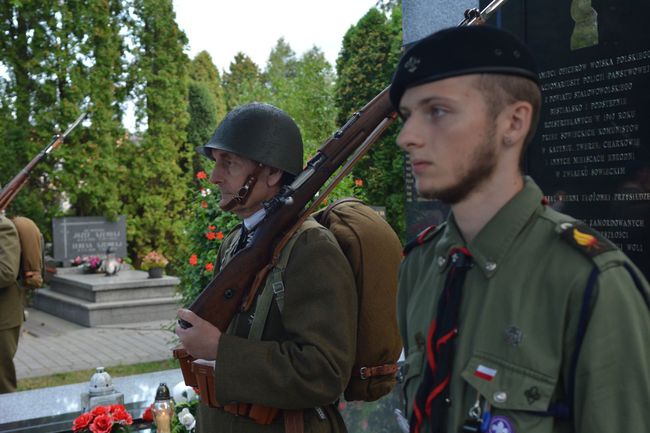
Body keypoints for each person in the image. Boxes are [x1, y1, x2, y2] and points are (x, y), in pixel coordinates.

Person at [390, 25, 650, 433]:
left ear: (513, 122)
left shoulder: (590, 282)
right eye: (407, 117)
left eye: (436, 111)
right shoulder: (420, 267)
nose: (407, 137)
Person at [175, 102, 357, 433]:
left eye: (228, 164)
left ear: (272, 173)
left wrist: (220, 350)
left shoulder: (310, 248)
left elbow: (325, 373)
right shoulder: (235, 240)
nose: (215, 177)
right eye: (216, 163)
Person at [0, 209, 22, 393]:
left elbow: (7, 273)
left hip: (3, 320)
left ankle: (10, 422)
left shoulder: (3, 227)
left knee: (3, 386)